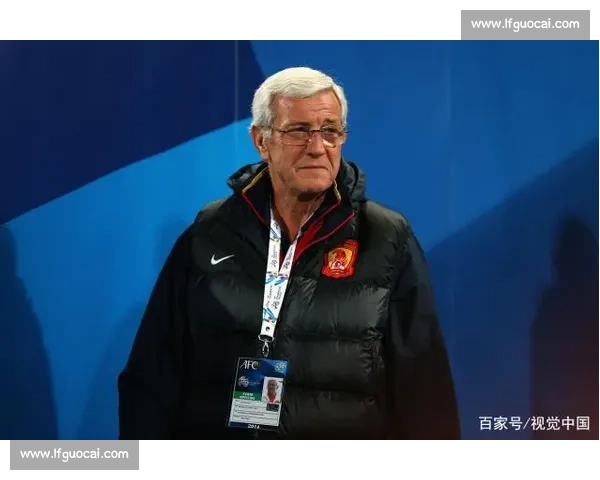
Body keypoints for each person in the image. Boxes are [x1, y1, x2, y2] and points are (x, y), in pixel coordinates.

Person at [118, 66, 461, 440]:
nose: (317, 147)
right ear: (261, 140)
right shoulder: (210, 232)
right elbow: (153, 376)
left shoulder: (386, 238)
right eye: (298, 131)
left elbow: (425, 390)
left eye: (330, 131)